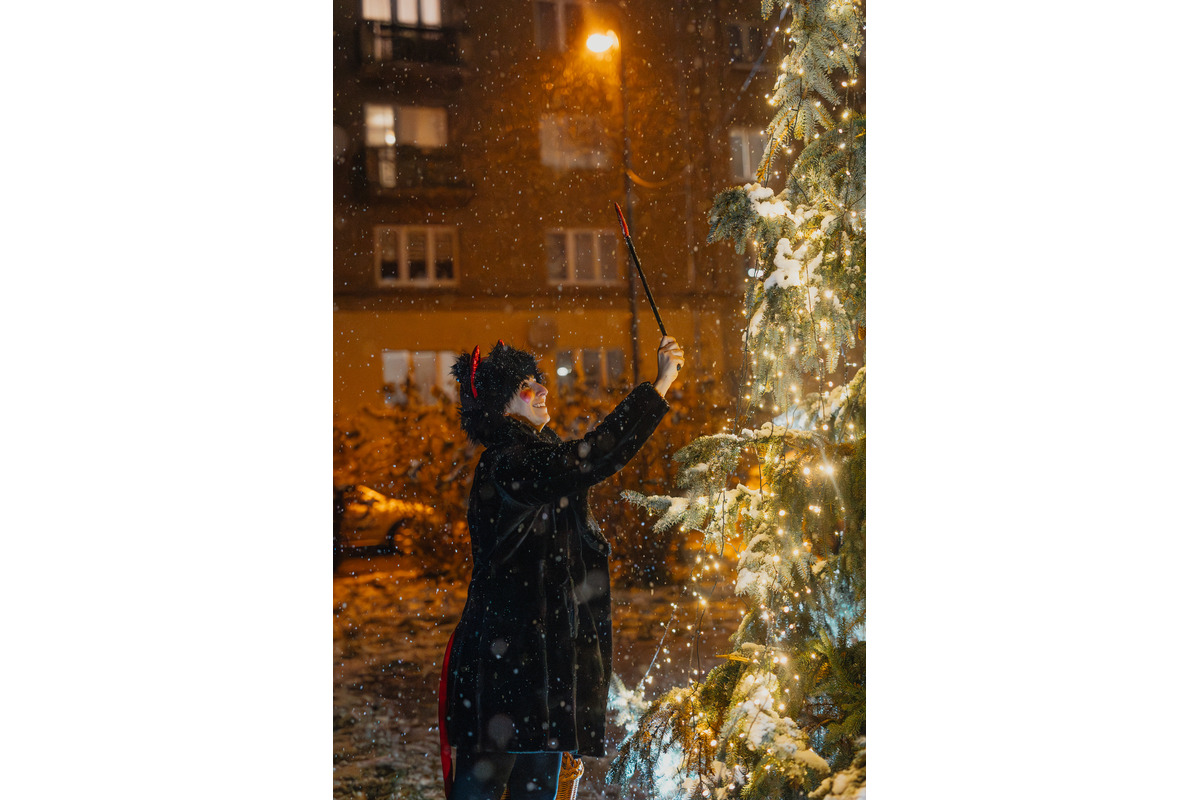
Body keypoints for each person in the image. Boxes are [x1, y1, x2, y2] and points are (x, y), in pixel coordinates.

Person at [440, 336, 685, 800]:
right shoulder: (510, 463)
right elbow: (590, 458)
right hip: (503, 673)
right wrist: (658, 387)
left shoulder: (537, 458)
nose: (542, 388)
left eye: (538, 379)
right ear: (501, 406)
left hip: (539, 675)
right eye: (526, 385)